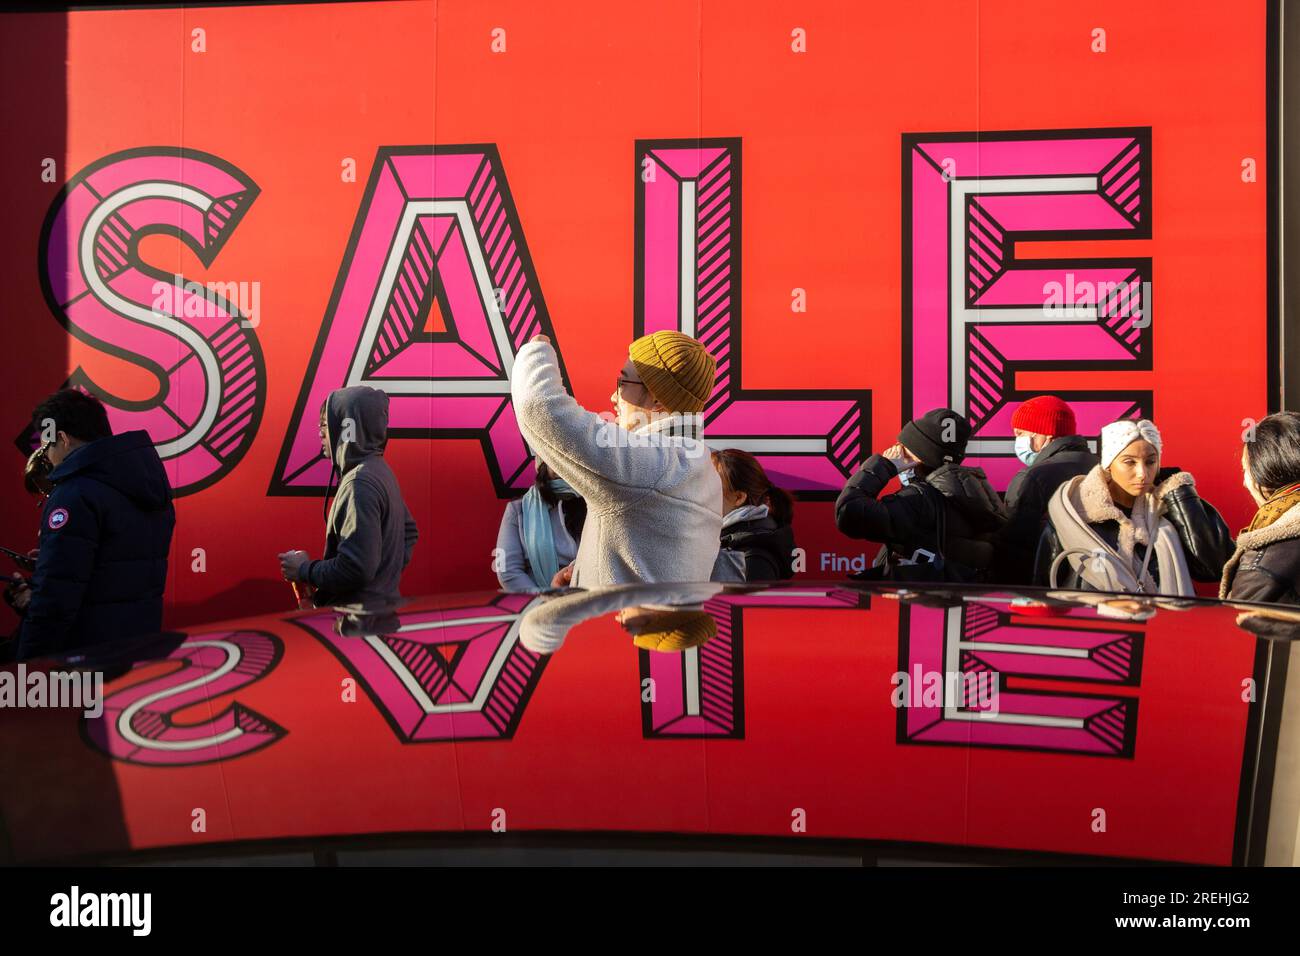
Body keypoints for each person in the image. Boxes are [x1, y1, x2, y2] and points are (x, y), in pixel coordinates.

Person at [510, 329, 721, 587]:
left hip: (624, 627)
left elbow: (539, 408)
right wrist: (584, 574)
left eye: (622, 383)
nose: (613, 397)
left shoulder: (654, 463)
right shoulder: (701, 467)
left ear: (657, 399)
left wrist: (537, 348)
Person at [8, 389, 175, 660]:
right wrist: (52, 560)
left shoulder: (74, 493)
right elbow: (116, 565)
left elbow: (56, 599)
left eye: (46, 446)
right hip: (138, 653)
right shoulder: (149, 486)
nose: (46, 458)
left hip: (83, 660)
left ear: (61, 438)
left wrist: (28, 668)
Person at [1034, 418, 1232, 595]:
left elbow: (1212, 569)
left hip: (1162, 630)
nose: (1143, 473)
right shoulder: (1073, 515)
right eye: (1129, 462)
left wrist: (1179, 491)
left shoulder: (1169, 510)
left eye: (1151, 462)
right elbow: (1043, 591)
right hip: (1094, 631)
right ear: (1108, 464)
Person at [279, 386, 418, 606]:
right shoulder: (379, 471)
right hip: (376, 615)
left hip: (356, 625)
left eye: (326, 424)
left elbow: (356, 568)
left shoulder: (358, 483)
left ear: (347, 427)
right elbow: (409, 532)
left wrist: (304, 569)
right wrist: (382, 581)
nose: (320, 432)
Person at [834, 408, 1007, 580]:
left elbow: (849, 513)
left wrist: (885, 465)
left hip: (916, 603)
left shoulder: (918, 500)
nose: (894, 451)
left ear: (918, 458)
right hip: (951, 600)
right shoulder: (972, 494)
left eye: (902, 450)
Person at [992, 396, 1096, 584]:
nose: (1017, 441)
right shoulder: (1099, 467)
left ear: (1045, 433)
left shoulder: (1034, 477)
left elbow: (1015, 545)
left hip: (1046, 582)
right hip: (1094, 579)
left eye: (1020, 433)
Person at [1221, 411, 1300, 604]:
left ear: (1265, 474)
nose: (1244, 483)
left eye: (1245, 470)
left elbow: (1241, 632)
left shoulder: (1263, 567)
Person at [495, 459, 586, 591]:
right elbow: (508, 572)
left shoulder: (598, 506)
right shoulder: (518, 510)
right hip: (539, 604)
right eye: (553, 456)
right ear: (542, 463)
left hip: (592, 600)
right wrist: (545, 600)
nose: (560, 464)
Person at [710, 448, 796, 581]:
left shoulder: (753, 559)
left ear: (738, 497)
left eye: (711, 487)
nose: (702, 494)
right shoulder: (733, 541)